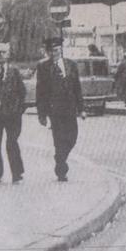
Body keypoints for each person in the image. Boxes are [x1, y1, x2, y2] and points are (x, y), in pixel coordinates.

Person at [36, 37, 85, 182]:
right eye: (51, 51)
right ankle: (61, 170)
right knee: (58, 139)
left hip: (70, 108)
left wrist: (81, 108)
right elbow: (40, 91)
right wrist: (42, 114)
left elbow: (77, 88)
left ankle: (60, 156)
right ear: (48, 52)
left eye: (56, 50)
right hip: (54, 110)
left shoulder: (71, 65)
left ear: (61, 50)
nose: (54, 53)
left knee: (72, 138)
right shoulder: (43, 67)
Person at [0, 43, 27, 184]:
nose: (1, 55)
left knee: (12, 142)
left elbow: (22, 91)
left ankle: (17, 173)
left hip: (12, 114)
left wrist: (19, 108)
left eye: (4, 52)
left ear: (8, 55)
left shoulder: (14, 71)